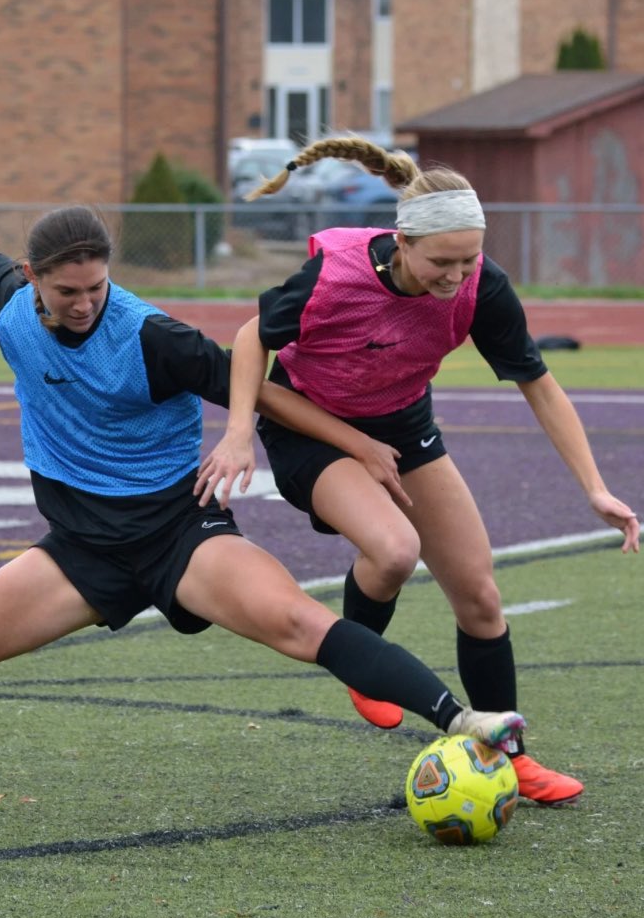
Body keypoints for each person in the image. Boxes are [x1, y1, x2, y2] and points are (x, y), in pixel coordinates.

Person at [0, 140, 525, 809]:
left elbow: (263, 390)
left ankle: (463, 720)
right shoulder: (11, 305)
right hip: (82, 550)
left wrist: (348, 443)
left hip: (180, 536)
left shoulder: (153, 336)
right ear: (31, 279)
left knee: (300, 624)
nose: (85, 304)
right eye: (67, 292)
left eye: (97, 287)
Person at [197, 135, 639, 807]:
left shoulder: (482, 285)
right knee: (395, 551)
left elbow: (540, 385)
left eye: (468, 259)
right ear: (402, 242)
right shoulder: (336, 276)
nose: (456, 276)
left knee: (481, 596)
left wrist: (596, 488)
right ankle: (362, 661)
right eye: (441, 261)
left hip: (404, 429)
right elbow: (251, 336)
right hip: (308, 427)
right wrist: (237, 435)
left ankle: (510, 756)